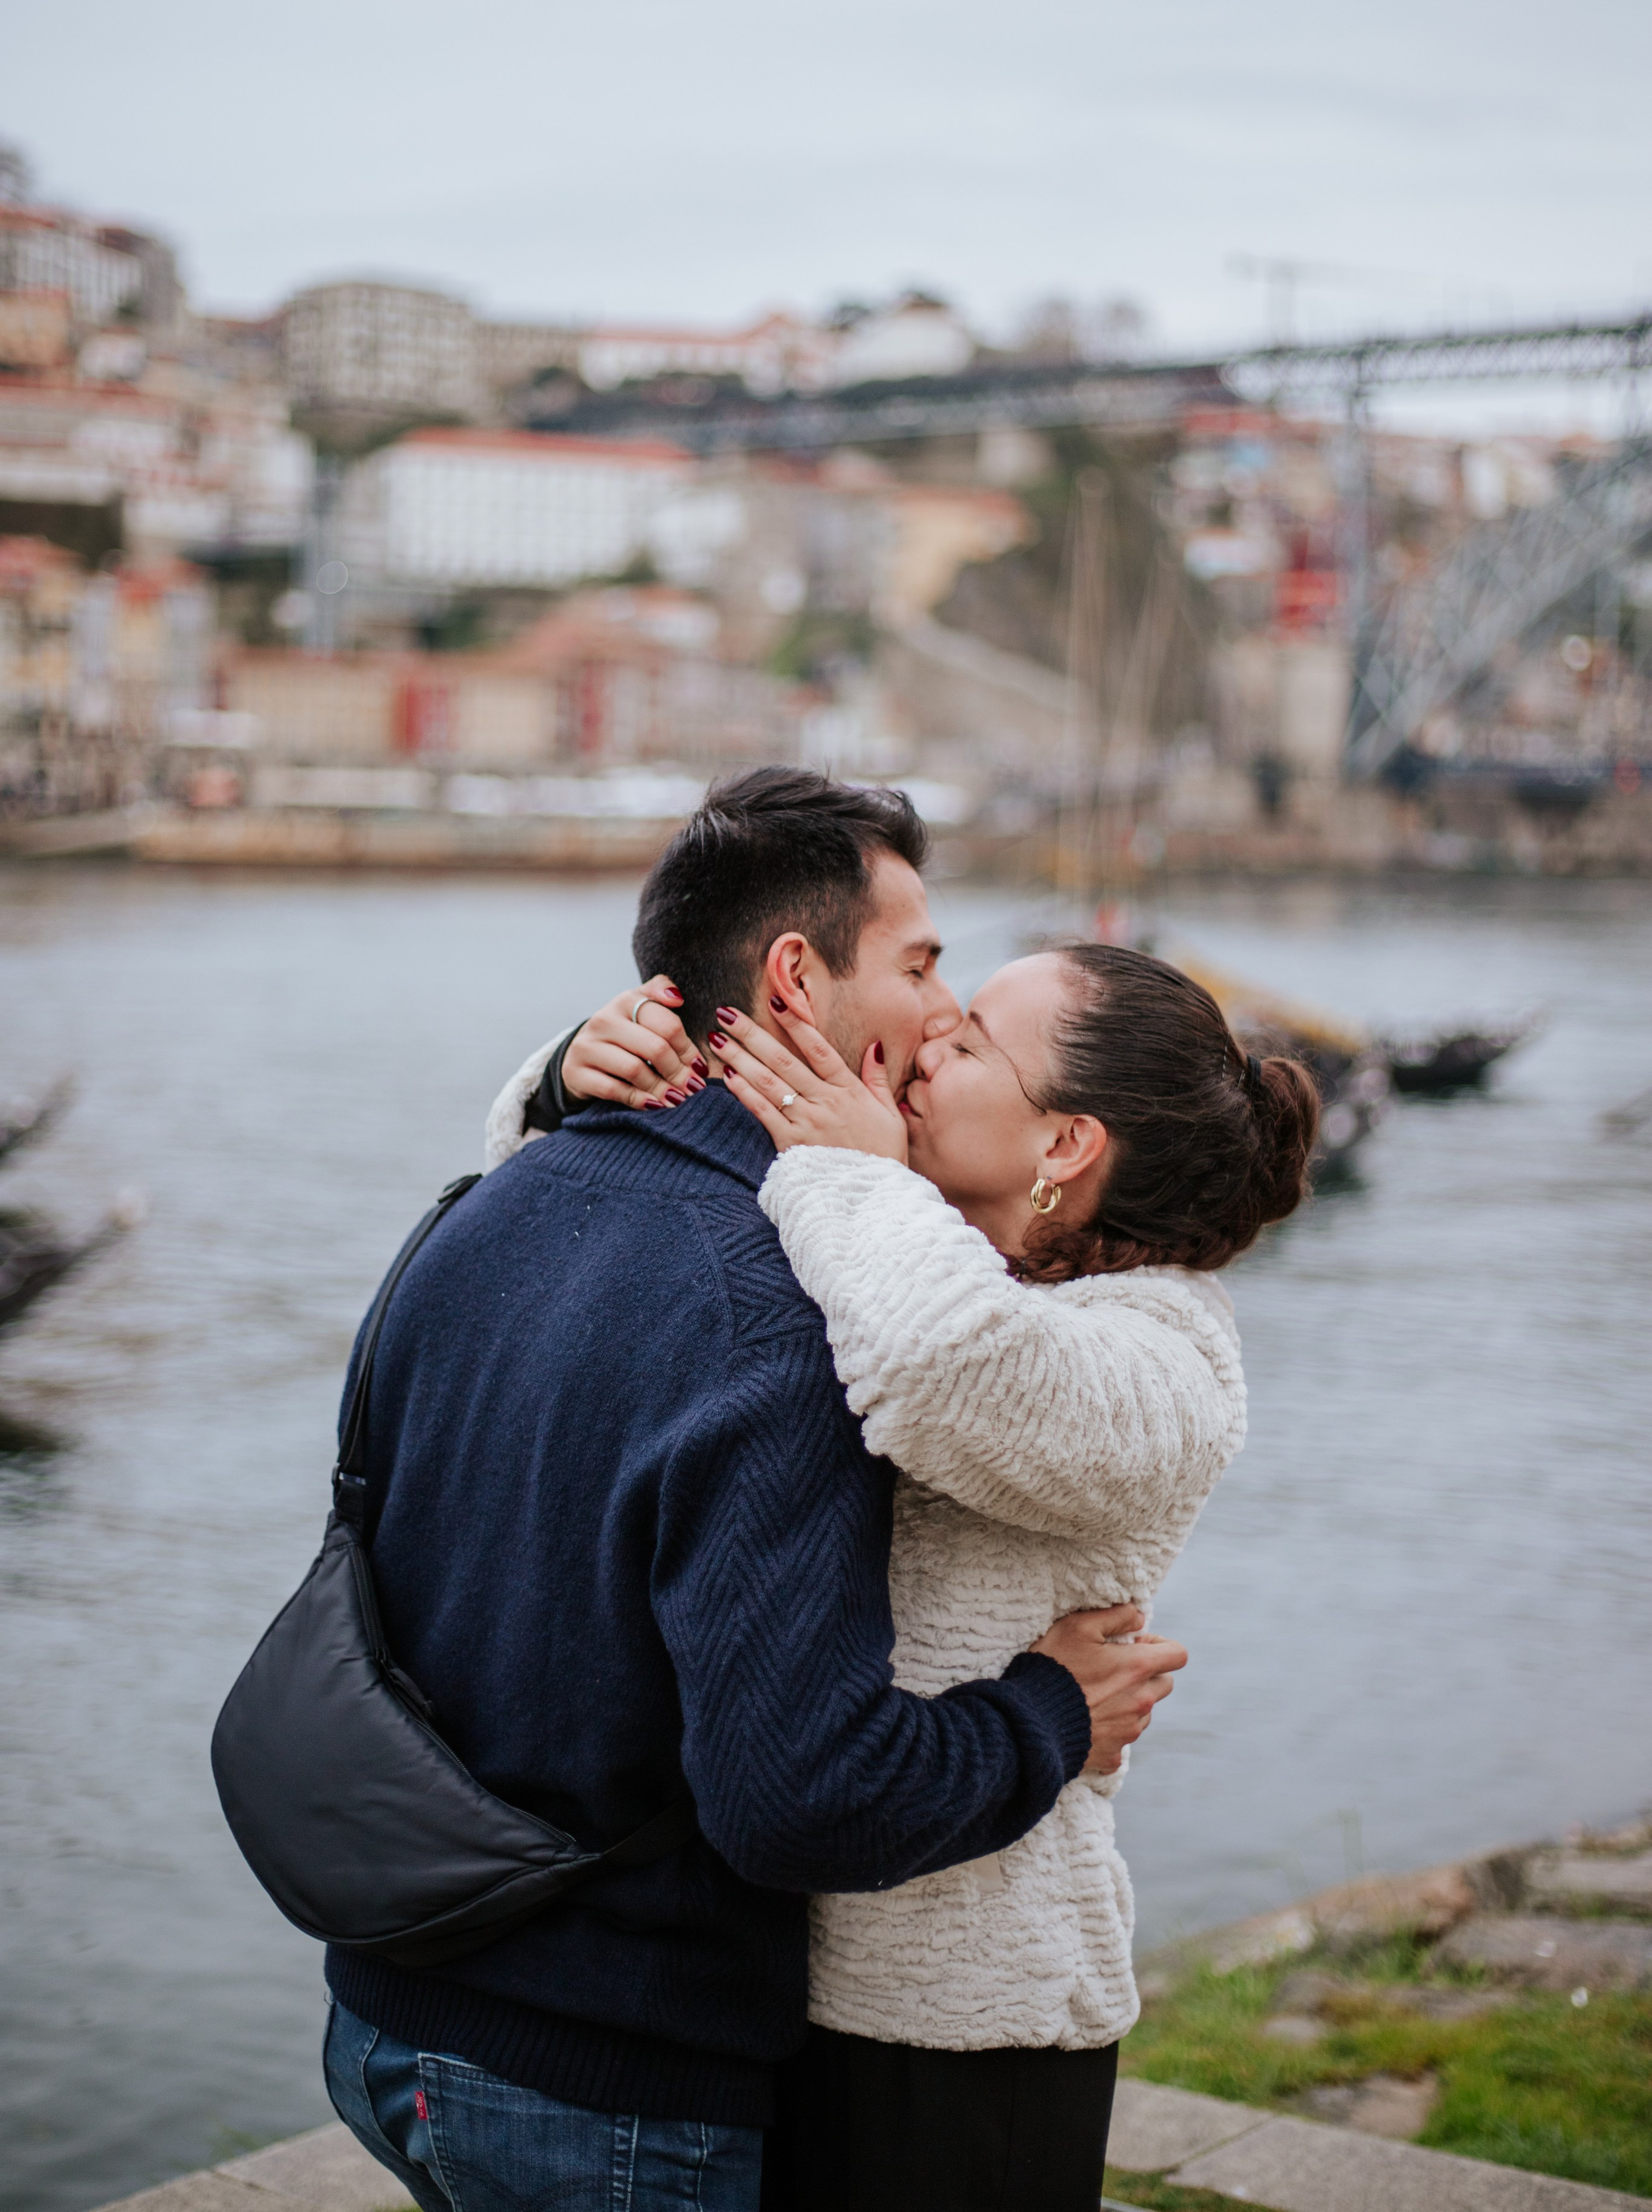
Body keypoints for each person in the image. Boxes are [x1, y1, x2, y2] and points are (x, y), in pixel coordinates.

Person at [322, 768, 1184, 2212]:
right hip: (600, 2076)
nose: (938, 1016)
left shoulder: (483, 1212)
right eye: (920, 967)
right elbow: (797, 1802)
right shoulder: (786, 1317)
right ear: (794, 978)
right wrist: (1049, 1711)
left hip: (384, 2008)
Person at [494, 875, 1318, 2210]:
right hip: (776, 1975)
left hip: (960, 2026)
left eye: (972, 1041)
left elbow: (941, 1368)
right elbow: (618, 1245)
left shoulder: (1169, 1356)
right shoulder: (912, 1247)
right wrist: (569, 1076)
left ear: (1065, 1145)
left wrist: (849, 1166)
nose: (927, 1039)